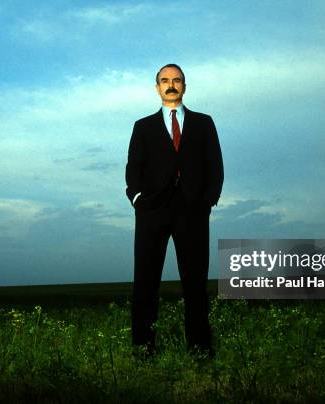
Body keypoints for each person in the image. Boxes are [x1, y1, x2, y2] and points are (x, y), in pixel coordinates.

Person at [125, 63, 224, 358]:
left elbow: (215, 166)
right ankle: (143, 348)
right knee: (145, 283)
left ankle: (199, 348)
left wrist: (207, 201)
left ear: (184, 85)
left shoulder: (204, 123)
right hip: (151, 213)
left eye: (176, 80)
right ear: (157, 87)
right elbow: (133, 169)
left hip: (192, 212)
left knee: (195, 285)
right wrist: (138, 199)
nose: (171, 84)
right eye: (165, 80)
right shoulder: (142, 127)